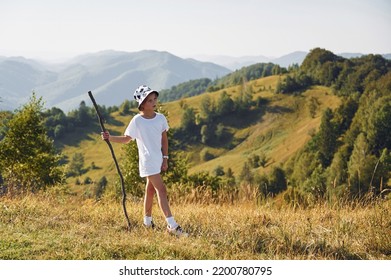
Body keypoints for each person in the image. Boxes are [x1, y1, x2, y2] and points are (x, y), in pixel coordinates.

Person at [101, 85, 187, 237]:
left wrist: (165, 158)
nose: (154, 102)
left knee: (150, 190)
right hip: (147, 161)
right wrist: (110, 137)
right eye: (149, 100)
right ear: (142, 104)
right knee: (161, 190)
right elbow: (127, 139)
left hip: (158, 159)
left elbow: (164, 140)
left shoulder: (161, 118)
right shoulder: (137, 121)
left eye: (154, 99)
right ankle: (172, 225)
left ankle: (147, 222)